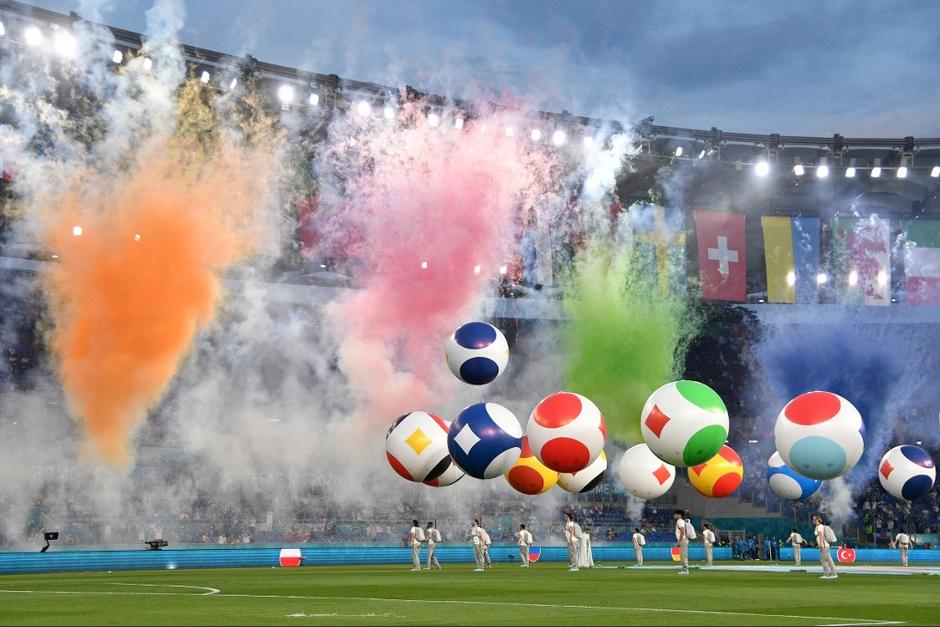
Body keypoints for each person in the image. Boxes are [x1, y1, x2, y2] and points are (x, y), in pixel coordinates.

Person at [813, 514, 838, 580]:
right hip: (825, 545)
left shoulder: (819, 527)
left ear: (818, 520)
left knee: (823, 559)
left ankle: (827, 574)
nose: (813, 520)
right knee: (829, 559)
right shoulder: (819, 526)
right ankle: (834, 573)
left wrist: (820, 544)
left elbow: (821, 535)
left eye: (814, 519)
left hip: (824, 545)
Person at [674, 510, 690, 575]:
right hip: (683, 539)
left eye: (675, 514)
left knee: (683, 555)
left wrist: (679, 541)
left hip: (682, 540)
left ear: (679, 515)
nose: (674, 515)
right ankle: (685, 569)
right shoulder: (682, 521)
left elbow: (682, 531)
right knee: (683, 555)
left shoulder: (679, 521)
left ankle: (685, 569)